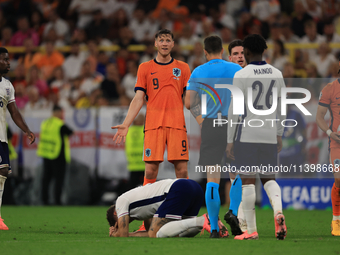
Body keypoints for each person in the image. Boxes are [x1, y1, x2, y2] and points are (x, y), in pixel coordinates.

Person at [226, 34, 287, 240]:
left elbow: (234, 110)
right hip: (269, 132)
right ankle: (278, 212)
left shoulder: (242, 75)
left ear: (248, 53)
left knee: (248, 182)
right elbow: (282, 107)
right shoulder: (277, 73)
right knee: (269, 178)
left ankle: (251, 232)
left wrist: (229, 140)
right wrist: (278, 133)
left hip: (247, 133)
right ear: (264, 50)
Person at [112, 29, 190, 186]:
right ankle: (146, 209)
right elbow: (138, 98)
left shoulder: (183, 68)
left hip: (176, 124)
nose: (165, 43)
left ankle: (184, 209)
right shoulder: (144, 68)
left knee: (181, 171)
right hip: (154, 125)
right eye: (161, 40)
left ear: (173, 44)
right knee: (150, 171)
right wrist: (126, 123)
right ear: (156, 43)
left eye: (168, 40)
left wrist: (202, 118)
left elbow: (190, 99)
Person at [184, 36, 242, 238]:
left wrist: (201, 121)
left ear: (205, 52)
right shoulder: (236, 70)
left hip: (210, 123)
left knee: (212, 177)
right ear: (224, 51)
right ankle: (233, 213)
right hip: (233, 124)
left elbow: (189, 102)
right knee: (236, 173)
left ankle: (215, 229)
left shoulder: (199, 71)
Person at [106, 178, 228, 238]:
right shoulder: (140, 209)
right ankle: (212, 223)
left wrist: (117, 233)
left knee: (157, 234)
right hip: (193, 186)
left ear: (116, 214)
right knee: (180, 233)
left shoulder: (120, 201)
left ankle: (202, 220)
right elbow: (149, 232)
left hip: (178, 188)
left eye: (117, 223)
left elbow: (124, 234)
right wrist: (128, 233)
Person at [0, 47, 35, 230]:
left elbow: (14, 112)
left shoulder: (7, 86)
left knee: (3, 171)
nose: (8, 62)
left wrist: (26, 130)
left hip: (1, 137)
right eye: (4, 59)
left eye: (8, 59)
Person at [224, 39, 247, 236]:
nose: (240, 56)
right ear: (229, 57)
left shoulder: (253, 75)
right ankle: (238, 217)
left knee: (240, 176)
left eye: (243, 53)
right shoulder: (229, 77)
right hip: (234, 130)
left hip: (252, 130)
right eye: (236, 53)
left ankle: (237, 215)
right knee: (238, 175)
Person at [316, 56, 340, 236]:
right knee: (339, 179)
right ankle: (336, 220)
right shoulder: (330, 89)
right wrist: (330, 133)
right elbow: (319, 117)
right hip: (336, 143)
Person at [37, 105, 73, 205]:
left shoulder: (45, 123)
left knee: (46, 179)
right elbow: (71, 132)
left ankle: (44, 200)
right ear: (58, 113)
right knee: (59, 180)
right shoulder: (59, 124)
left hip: (46, 154)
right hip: (58, 155)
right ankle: (57, 201)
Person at [125, 114, 145, 190]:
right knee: (148, 187)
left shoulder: (129, 130)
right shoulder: (146, 129)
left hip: (133, 162)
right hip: (144, 163)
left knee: (131, 186)